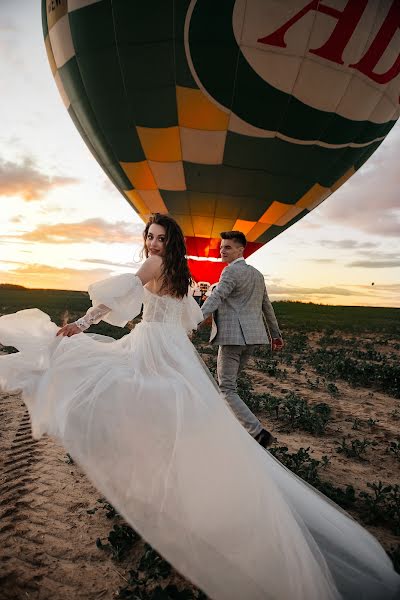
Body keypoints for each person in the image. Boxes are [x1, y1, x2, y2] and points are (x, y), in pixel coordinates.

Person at [0, 213, 399, 600]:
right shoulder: (182, 274)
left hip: (154, 347)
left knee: (108, 383)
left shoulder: (153, 264)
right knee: (185, 419)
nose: (153, 244)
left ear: (169, 243)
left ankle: (152, 476)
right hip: (175, 351)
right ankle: (183, 487)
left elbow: (119, 296)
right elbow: (189, 319)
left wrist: (82, 324)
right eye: (149, 237)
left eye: (159, 238)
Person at [201, 231, 283, 448]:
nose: (222, 250)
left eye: (227, 247)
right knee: (229, 388)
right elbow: (267, 306)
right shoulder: (257, 274)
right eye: (221, 246)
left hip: (232, 338)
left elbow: (217, 297)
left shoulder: (229, 272)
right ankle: (220, 425)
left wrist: (196, 318)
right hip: (252, 339)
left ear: (240, 249)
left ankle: (257, 432)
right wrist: (276, 335)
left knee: (226, 388)